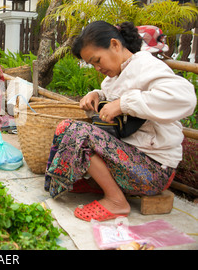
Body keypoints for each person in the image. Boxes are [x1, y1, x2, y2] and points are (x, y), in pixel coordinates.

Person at [44, 21, 196, 222]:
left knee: (77, 131)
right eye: (92, 64)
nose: (97, 68)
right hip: (128, 161)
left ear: (115, 45)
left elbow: (185, 98)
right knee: (67, 127)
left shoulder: (146, 66)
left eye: (97, 60)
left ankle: (117, 201)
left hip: (153, 171)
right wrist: (96, 94)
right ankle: (92, 183)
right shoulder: (113, 77)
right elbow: (115, 94)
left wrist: (123, 104)